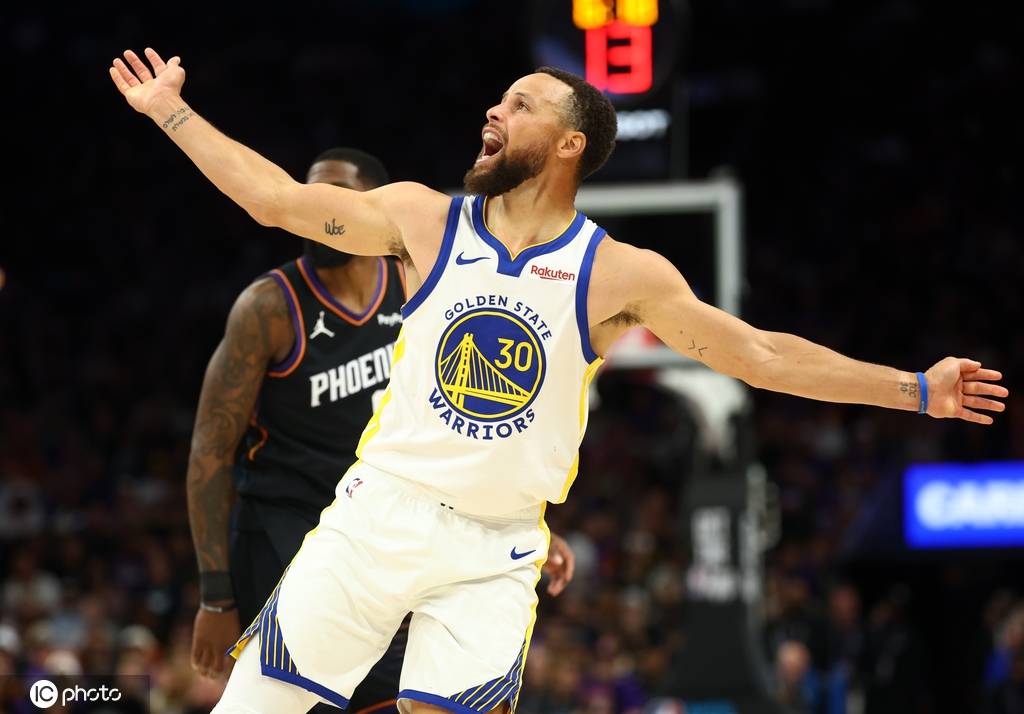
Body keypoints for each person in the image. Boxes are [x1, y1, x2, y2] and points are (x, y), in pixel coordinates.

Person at [109, 48, 1008, 714]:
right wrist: (170, 112)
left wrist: (914, 389)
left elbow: (762, 356)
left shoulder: (618, 273)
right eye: (498, 100)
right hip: (375, 516)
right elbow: (274, 200)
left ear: (570, 142)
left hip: (496, 550)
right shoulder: (423, 219)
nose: (493, 111)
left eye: (520, 103)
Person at [183, 145, 579, 710]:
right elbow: (209, 451)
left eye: (339, 193)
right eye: (314, 190)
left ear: (371, 206)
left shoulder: (417, 282)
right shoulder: (270, 307)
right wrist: (216, 597)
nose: (322, 204)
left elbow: (464, 432)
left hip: (382, 523)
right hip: (284, 527)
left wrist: (512, 525)